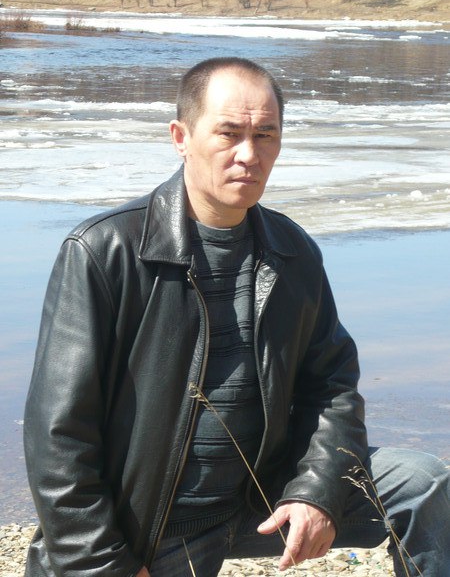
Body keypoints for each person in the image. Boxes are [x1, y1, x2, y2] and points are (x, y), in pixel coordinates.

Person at [24, 57, 449, 577]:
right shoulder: (104, 251)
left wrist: (316, 491)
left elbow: (332, 387)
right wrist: (103, 563)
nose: (249, 154)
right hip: (149, 525)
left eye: (265, 135)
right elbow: (58, 436)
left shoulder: (291, 251)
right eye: (229, 133)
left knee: (423, 482)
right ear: (181, 137)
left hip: (258, 500)